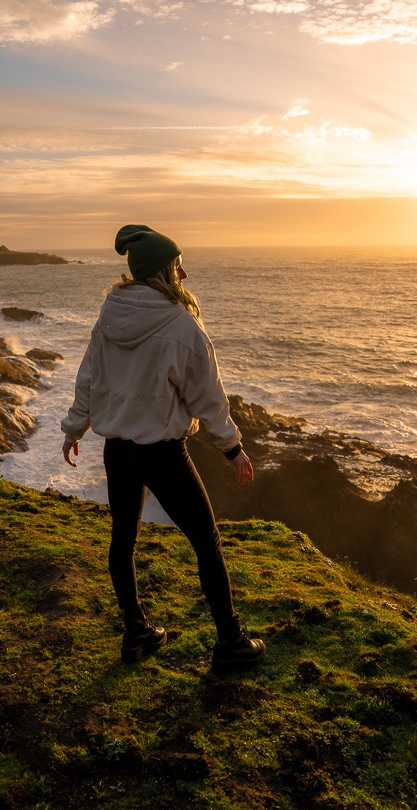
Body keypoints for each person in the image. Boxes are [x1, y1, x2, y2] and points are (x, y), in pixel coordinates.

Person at [61, 224, 265, 673]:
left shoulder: (108, 316)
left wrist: (74, 429)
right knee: (206, 540)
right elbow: (208, 398)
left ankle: (136, 632)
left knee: (123, 540)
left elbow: (88, 379)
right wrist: (233, 449)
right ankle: (230, 641)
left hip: (118, 450)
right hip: (162, 454)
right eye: (177, 265)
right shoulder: (180, 325)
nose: (184, 274)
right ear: (160, 272)